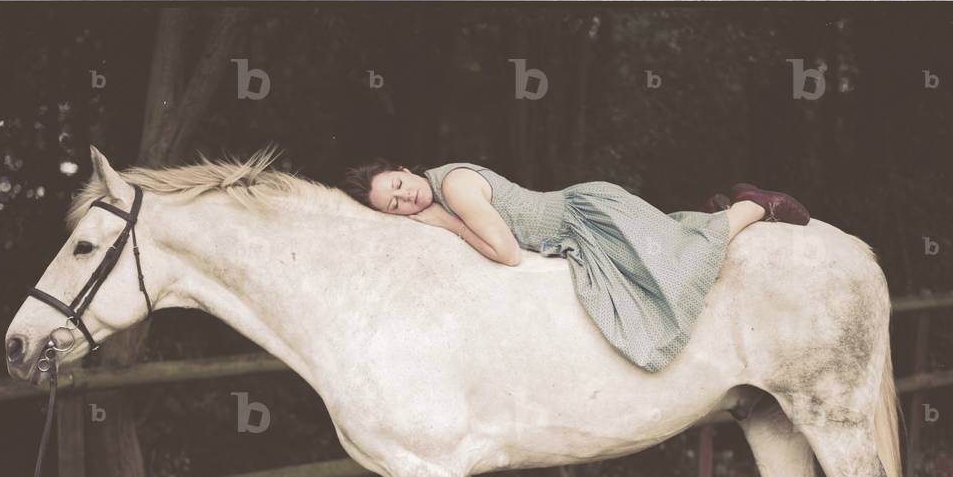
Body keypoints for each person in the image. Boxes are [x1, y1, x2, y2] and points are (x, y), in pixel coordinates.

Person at [341, 160, 810, 372]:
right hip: (570, 233)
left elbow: (507, 253)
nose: (406, 198)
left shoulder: (454, 190)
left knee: (678, 266)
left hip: (583, 217)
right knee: (663, 251)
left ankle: (753, 205)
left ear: (404, 169)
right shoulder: (440, 192)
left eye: (398, 185)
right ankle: (719, 213)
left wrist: (446, 223)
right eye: (395, 205)